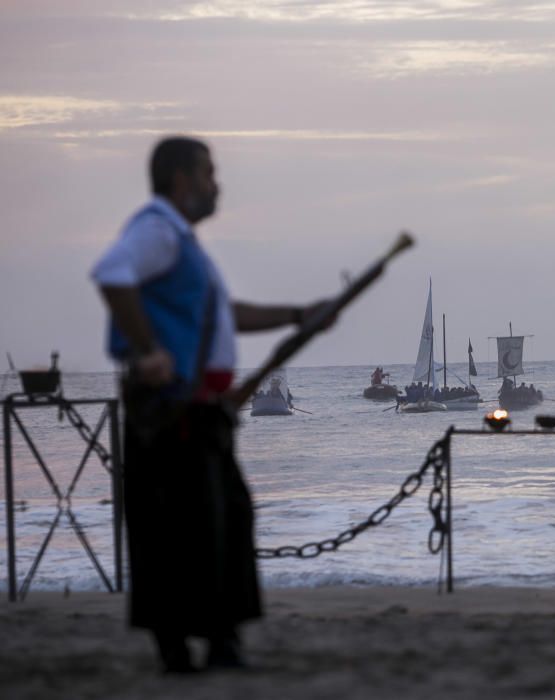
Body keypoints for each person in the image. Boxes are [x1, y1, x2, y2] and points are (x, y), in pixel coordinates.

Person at [91, 136, 331, 672]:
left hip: (202, 410)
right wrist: (148, 350)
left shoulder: (183, 243)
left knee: (221, 518)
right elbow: (111, 274)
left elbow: (224, 314)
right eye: (208, 173)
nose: (215, 184)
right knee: (178, 523)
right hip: (171, 410)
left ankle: (221, 640)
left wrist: (298, 315)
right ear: (181, 179)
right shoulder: (156, 228)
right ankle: (181, 646)